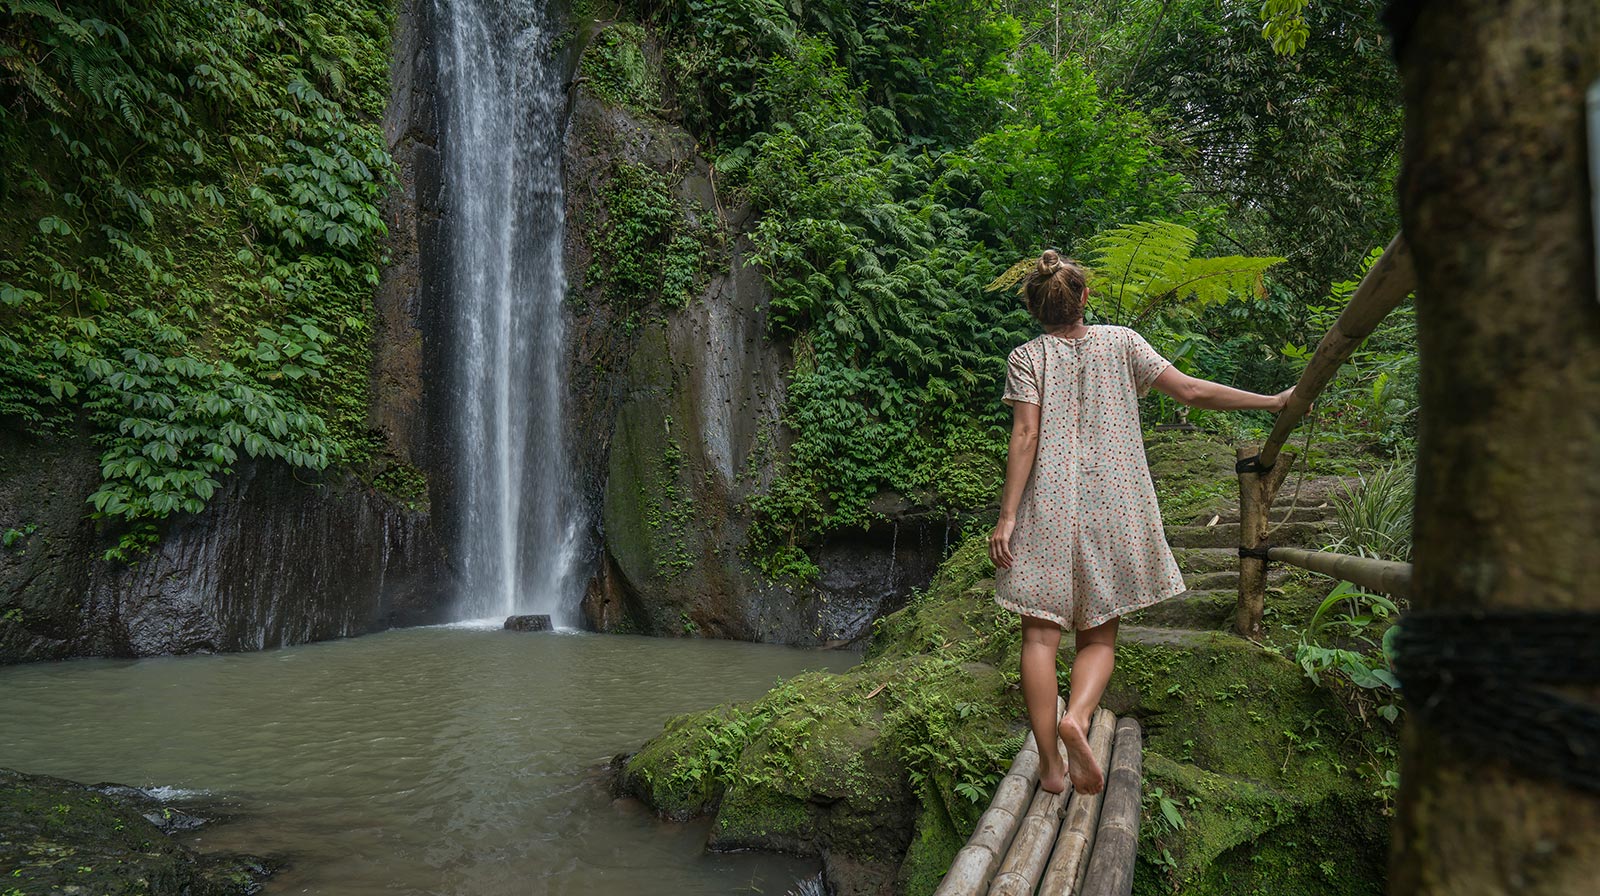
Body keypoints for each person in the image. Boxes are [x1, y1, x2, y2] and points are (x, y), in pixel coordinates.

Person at [987, 250, 1293, 795]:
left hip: (1048, 507)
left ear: (1035, 307)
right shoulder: (1123, 341)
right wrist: (1272, 400)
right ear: (1084, 298)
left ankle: (1052, 769)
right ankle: (1077, 718)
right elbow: (1192, 392)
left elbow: (1026, 437)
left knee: (1039, 635)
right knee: (1099, 635)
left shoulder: (1025, 357)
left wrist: (1007, 517)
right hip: (1115, 505)